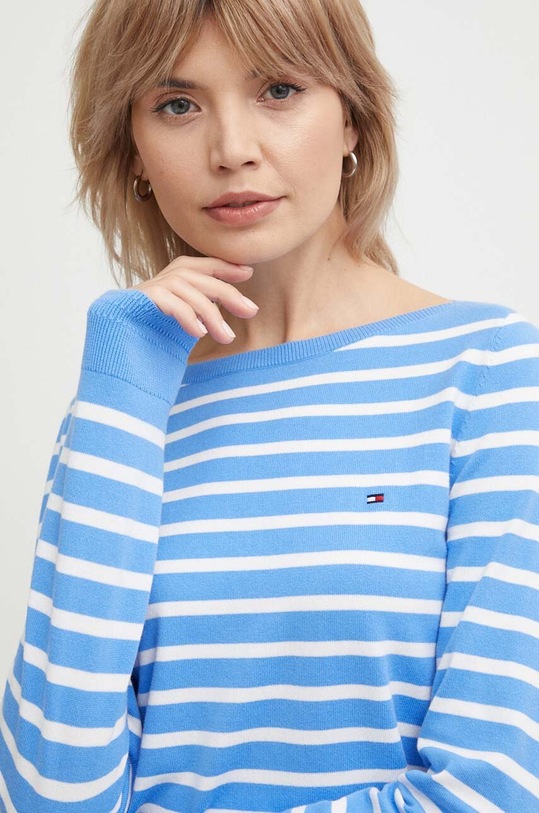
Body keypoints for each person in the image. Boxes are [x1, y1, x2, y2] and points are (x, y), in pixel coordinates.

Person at [0, 0, 538, 811]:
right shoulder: (120, 415)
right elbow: (47, 793)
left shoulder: (489, 373)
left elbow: (491, 790)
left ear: (352, 117)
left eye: (278, 90)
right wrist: (117, 395)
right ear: (134, 150)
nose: (231, 149)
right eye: (176, 105)